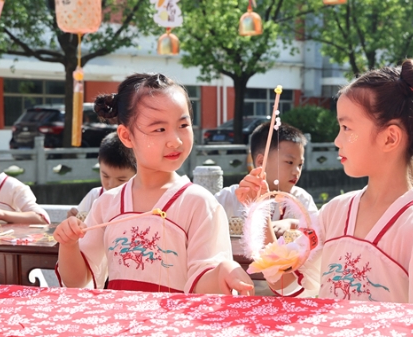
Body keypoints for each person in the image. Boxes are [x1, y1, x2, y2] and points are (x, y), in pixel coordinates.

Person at [238, 60, 413, 305]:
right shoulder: (333, 212)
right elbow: (286, 283)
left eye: (346, 127)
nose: (337, 140)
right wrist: (260, 208)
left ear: (390, 137)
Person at [54, 73, 254, 295]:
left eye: (183, 125)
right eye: (159, 129)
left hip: (173, 325)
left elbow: (201, 287)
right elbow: (78, 281)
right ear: (126, 136)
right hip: (119, 324)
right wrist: (69, 244)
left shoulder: (198, 203)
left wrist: (222, 271)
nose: (175, 140)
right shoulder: (107, 203)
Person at [215, 122, 318, 236]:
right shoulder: (229, 197)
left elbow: (318, 232)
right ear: (261, 162)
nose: (296, 171)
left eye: (300, 164)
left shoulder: (301, 199)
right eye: (289, 162)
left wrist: (293, 223)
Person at [67, 132, 136, 220]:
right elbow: (77, 223)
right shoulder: (95, 196)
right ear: (99, 162)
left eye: (121, 180)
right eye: (105, 176)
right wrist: (72, 221)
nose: (111, 184)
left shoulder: (138, 201)